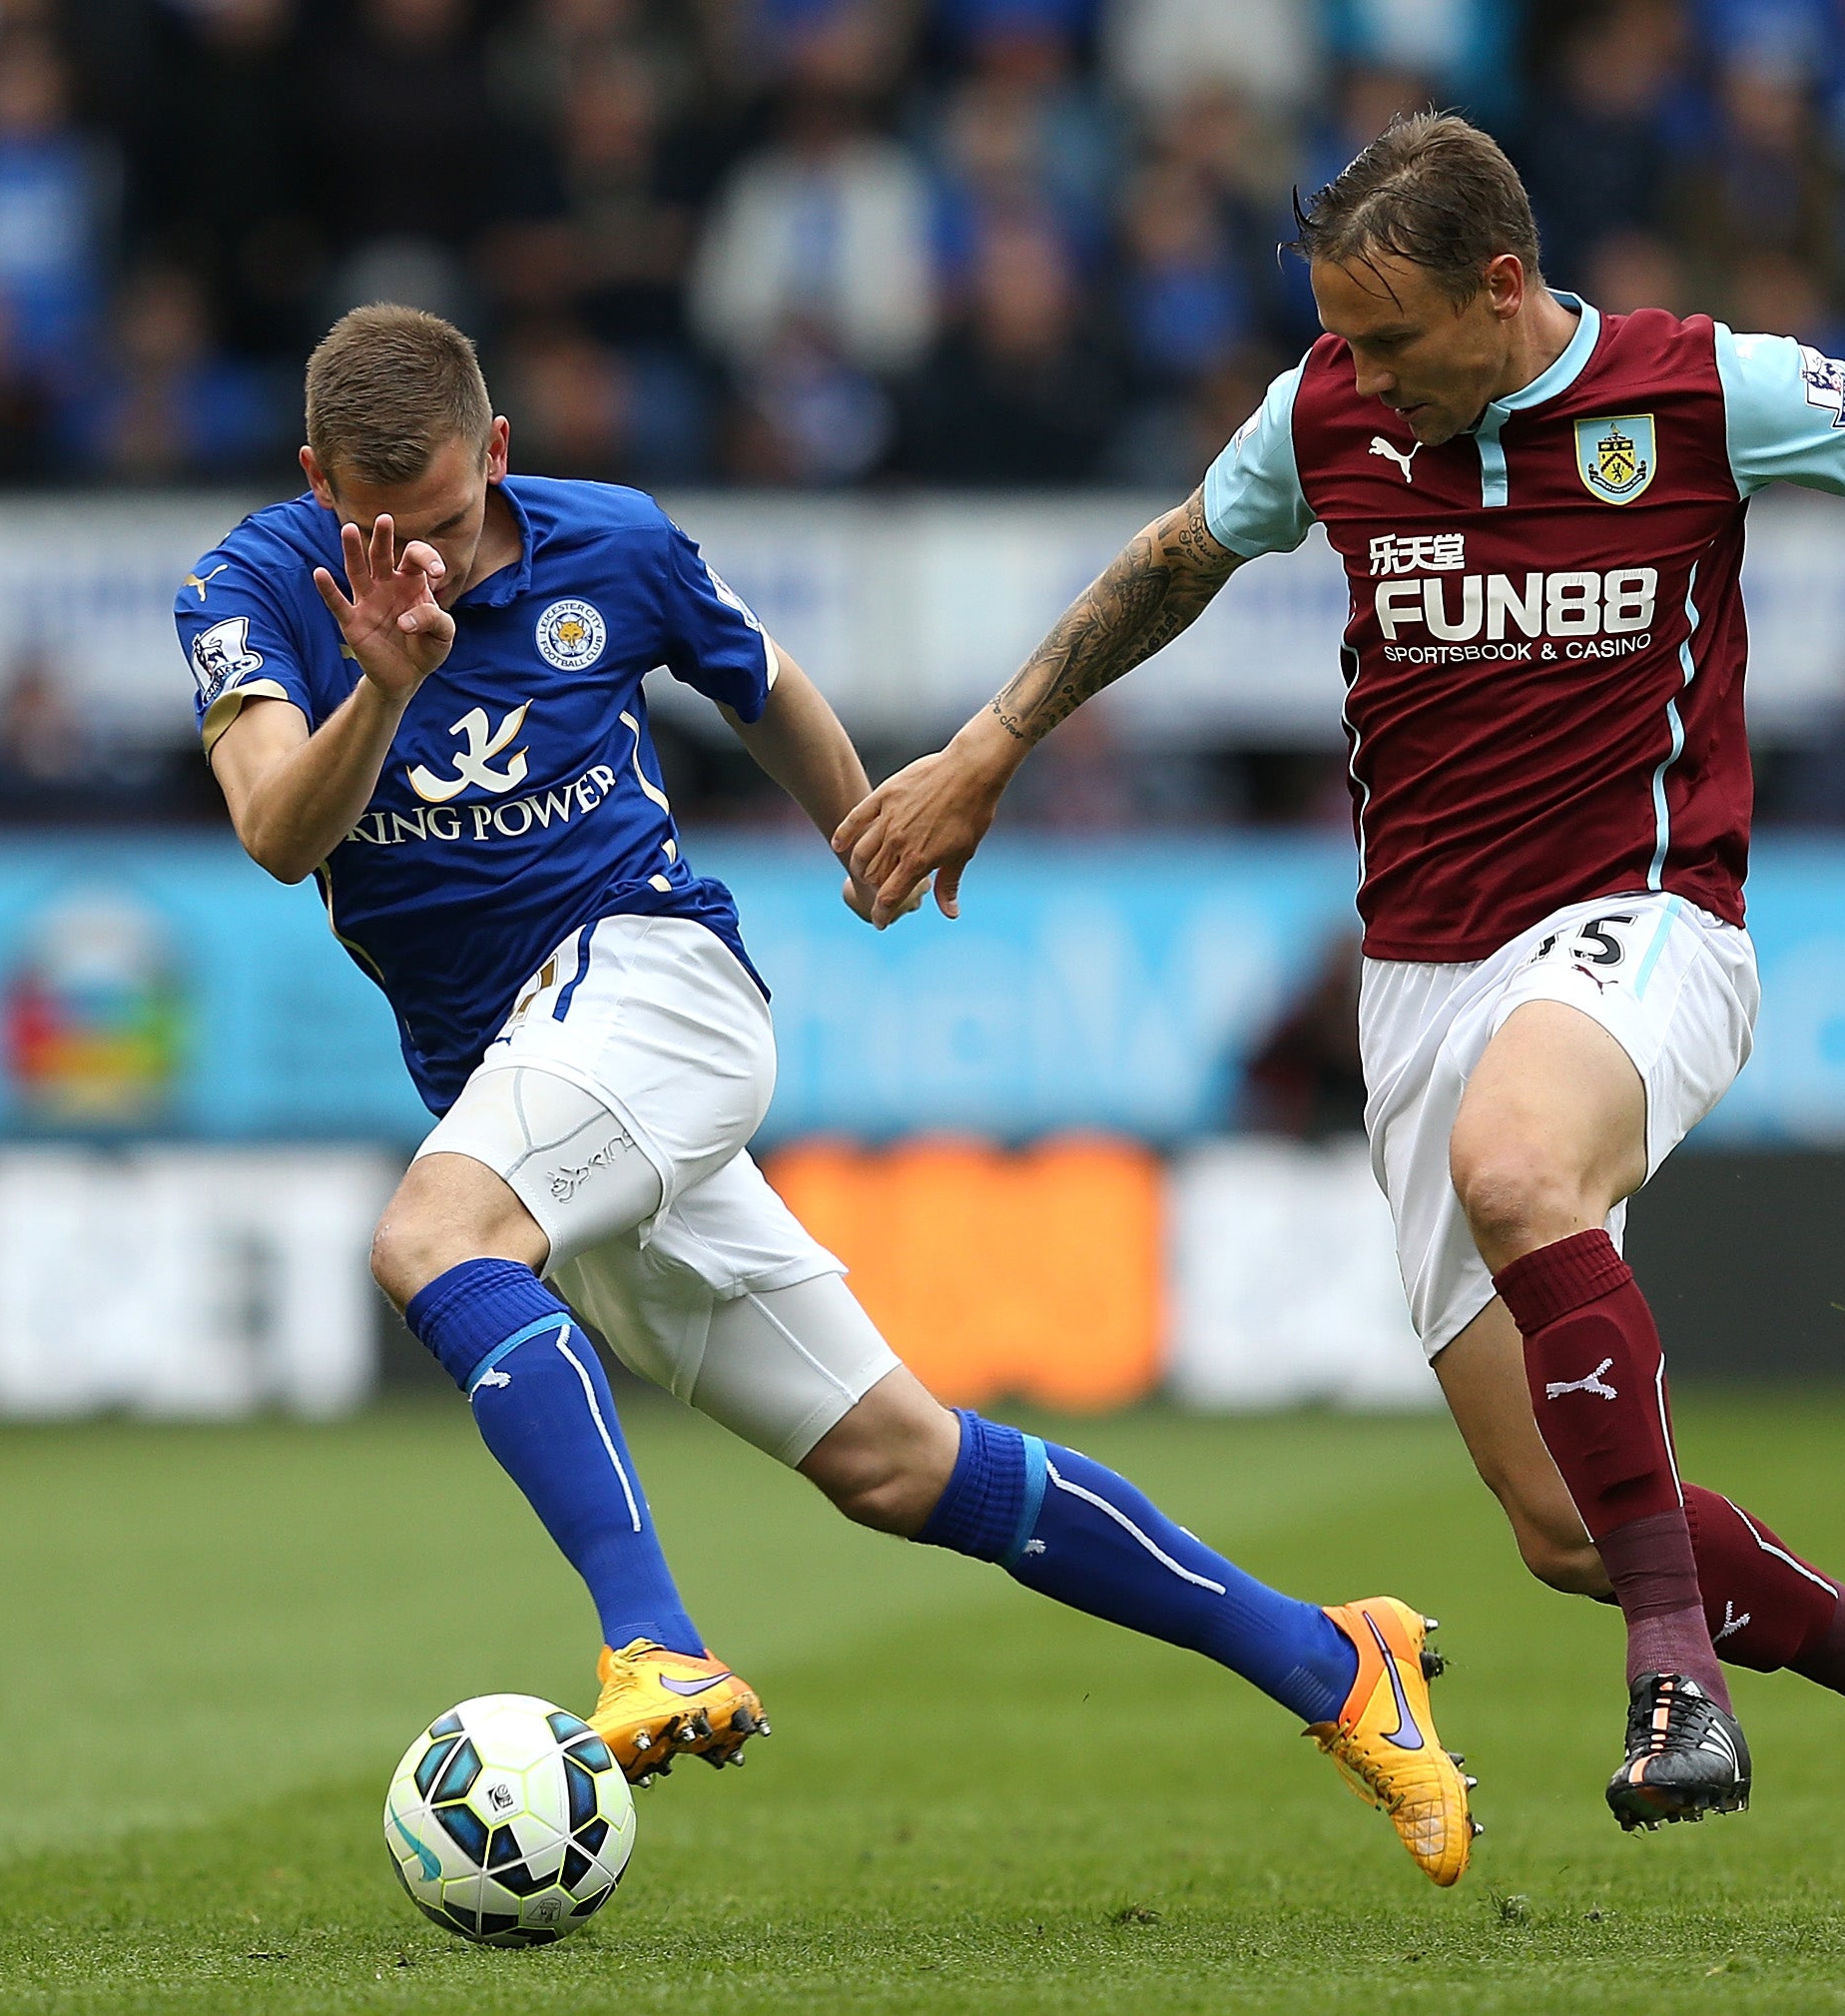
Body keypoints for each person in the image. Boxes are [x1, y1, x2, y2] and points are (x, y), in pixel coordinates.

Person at [836, 113, 1845, 1934]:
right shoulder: (1325, 411)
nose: (1361, 377)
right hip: (1421, 976)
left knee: (1519, 1158)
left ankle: (1675, 1680)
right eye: (1339, 340)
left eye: (1391, 339)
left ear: (1505, 285)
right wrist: (991, 745)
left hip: (1649, 925)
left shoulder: (1703, 391)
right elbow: (1176, 555)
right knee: (1568, 1527)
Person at [173, 304, 1476, 1887]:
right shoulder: (247, 592)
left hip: (653, 984)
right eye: (385, 534)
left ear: (498, 454)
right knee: (896, 1465)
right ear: (317, 480)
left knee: (436, 1243)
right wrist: (380, 688)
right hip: (532, 1088)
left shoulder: (618, 544)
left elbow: (760, 677)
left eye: (448, 523)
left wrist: (865, 827)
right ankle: (1337, 1663)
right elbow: (275, 835)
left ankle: (651, 1641)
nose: (425, 567)